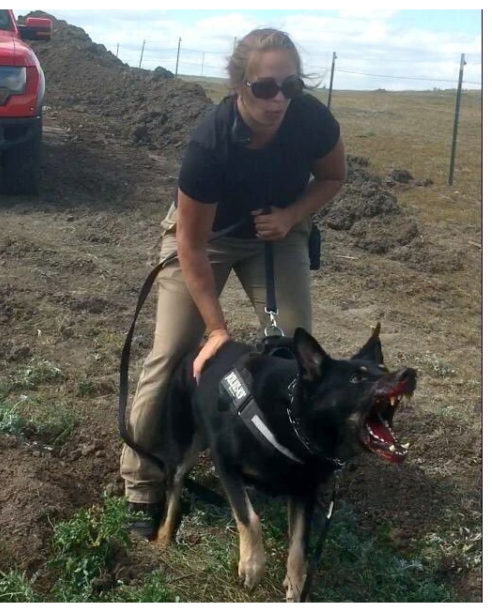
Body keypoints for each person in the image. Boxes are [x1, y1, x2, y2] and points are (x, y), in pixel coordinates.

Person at [120, 28, 346, 537]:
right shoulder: (210, 142)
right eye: (265, 87)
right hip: (208, 240)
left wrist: (292, 215)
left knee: (297, 350)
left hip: (277, 232)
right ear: (240, 85)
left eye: (292, 85)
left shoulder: (311, 120)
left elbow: (332, 178)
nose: (280, 99)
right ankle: (141, 483)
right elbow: (192, 246)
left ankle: (294, 457)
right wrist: (216, 329)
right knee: (173, 349)